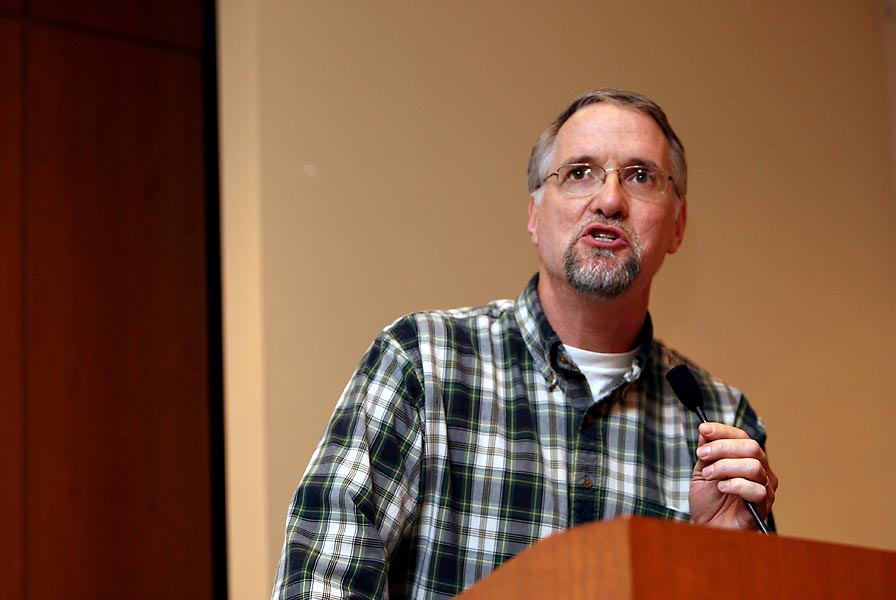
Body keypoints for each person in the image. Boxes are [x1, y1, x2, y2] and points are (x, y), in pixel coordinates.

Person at [272, 88, 778, 600]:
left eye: (640, 176)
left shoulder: (720, 420)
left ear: (678, 226)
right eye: (580, 172)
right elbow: (317, 584)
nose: (610, 200)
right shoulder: (423, 362)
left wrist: (722, 561)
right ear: (535, 214)